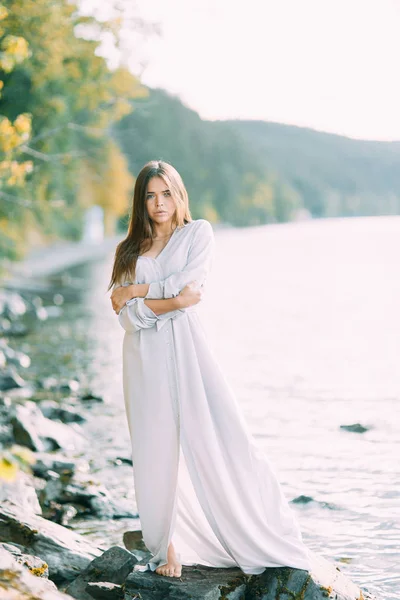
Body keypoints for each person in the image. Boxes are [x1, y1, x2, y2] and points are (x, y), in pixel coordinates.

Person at [108, 160, 311, 579]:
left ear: (180, 195)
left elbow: (190, 285)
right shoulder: (128, 250)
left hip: (189, 353)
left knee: (222, 434)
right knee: (154, 449)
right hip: (143, 360)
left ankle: (258, 527)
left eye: (167, 193)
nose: (159, 203)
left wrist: (141, 292)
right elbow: (125, 316)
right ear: (140, 201)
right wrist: (169, 304)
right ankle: (168, 548)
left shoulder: (197, 233)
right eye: (150, 195)